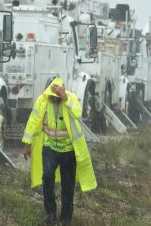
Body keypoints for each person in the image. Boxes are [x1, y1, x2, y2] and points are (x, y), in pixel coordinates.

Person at [22, 77, 97, 225]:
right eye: (52, 94)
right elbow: (32, 121)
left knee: (67, 185)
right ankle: (50, 213)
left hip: (68, 150)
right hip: (50, 148)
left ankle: (66, 218)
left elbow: (77, 113)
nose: (53, 98)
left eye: (57, 95)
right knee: (47, 177)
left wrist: (65, 98)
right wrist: (27, 144)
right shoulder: (42, 100)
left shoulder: (70, 98)